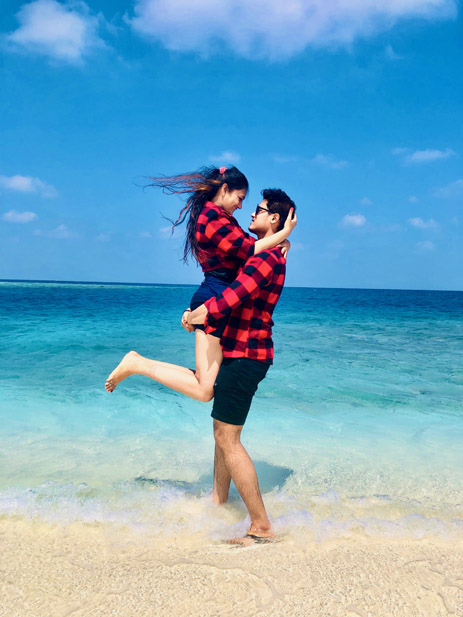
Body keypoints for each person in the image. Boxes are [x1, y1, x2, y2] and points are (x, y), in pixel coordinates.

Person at [105, 167, 296, 400]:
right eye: (240, 198)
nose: (241, 206)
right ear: (224, 189)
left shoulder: (222, 218)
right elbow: (248, 249)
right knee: (204, 390)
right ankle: (137, 364)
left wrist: (283, 241)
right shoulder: (212, 217)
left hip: (216, 295)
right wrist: (285, 233)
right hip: (214, 296)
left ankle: (137, 363)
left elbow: (250, 246)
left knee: (205, 384)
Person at [187, 189, 296, 544]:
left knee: (227, 437)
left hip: (248, 355)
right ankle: (219, 501)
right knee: (221, 430)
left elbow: (232, 296)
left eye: (259, 210)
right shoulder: (271, 253)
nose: (251, 214)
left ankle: (261, 526)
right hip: (243, 352)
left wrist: (198, 315)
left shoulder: (265, 259)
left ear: (274, 218)